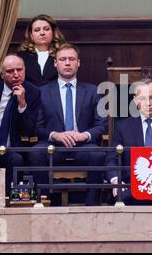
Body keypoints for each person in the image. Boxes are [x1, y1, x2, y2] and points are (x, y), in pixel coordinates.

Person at [29, 43, 107, 206]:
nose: (67, 63)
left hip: (82, 145)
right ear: (55, 63)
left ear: (78, 63)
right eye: (62, 59)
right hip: (53, 145)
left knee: (98, 154)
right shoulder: (42, 92)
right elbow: (37, 126)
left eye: (71, 59)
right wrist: (56, 135)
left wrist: (83, 135)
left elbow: (102, 125)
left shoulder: (94, 91)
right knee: (36, 153)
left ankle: (92, 206)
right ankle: (44, 203)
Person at [0, 54, 41, 196]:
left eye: (19, 70)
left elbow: (29, 130)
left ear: (25, 70)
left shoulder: (33, 92)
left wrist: (22, 104)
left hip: (10, 147)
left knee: (16, 159)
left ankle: (7, 200)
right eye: (10, 71)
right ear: (1, 74)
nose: (16, 75)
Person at [18, 14, 67, 87]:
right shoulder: (20, 57)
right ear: (31, 35)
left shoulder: (63, 55)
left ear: (53, 33)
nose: (42, 33)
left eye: (46, 29)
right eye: (37, 30)